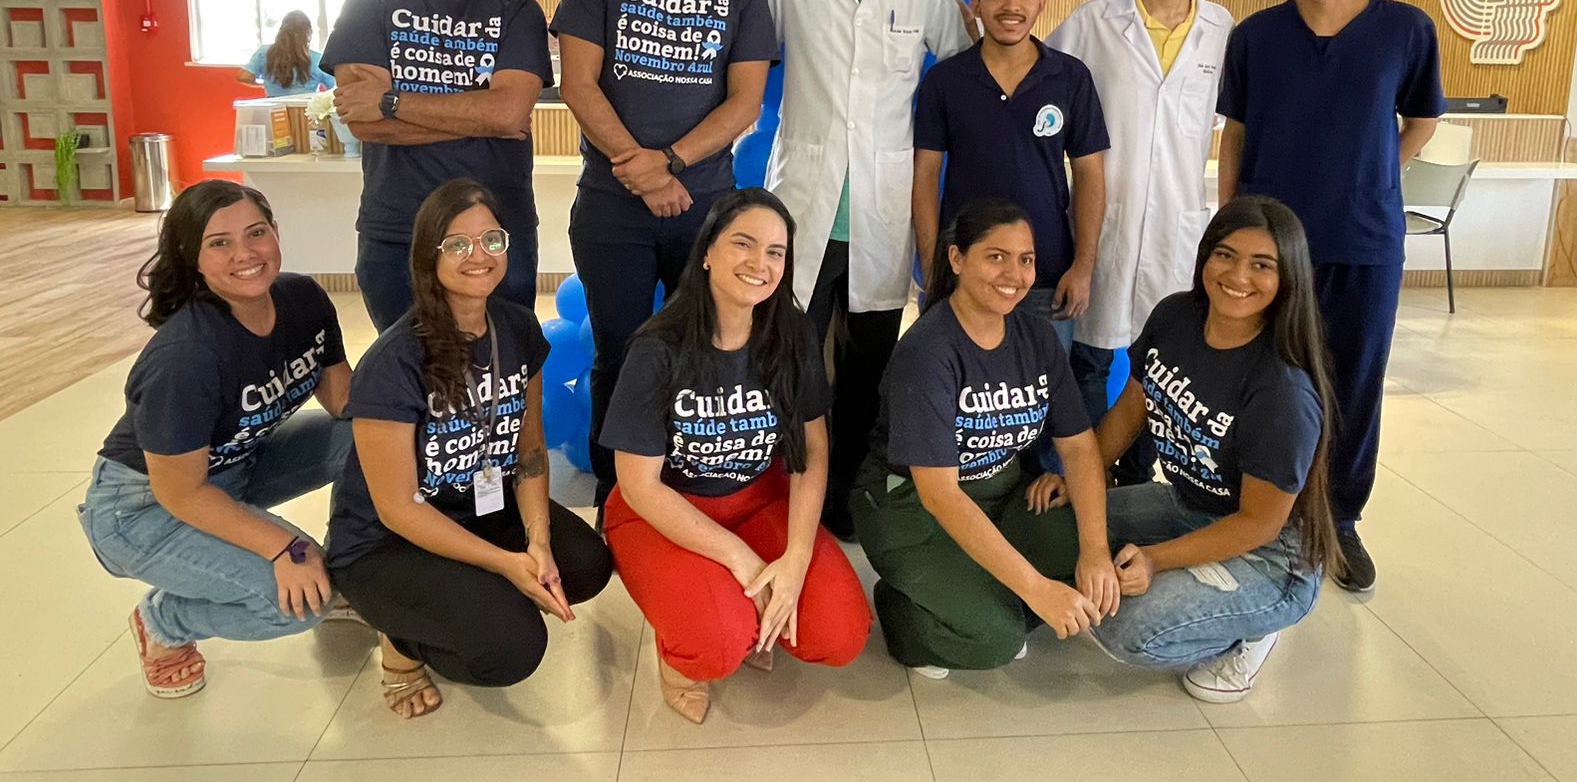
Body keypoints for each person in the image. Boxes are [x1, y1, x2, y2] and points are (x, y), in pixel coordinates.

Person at [1218, 0, 1442, 592]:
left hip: (1363, 240)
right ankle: (1251, 510)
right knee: (1265, 380)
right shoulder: (1256, 36)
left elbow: (1422, 120)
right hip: (1271, 248)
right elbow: (1236, 134)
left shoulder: (1404, 29)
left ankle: (1338, 517)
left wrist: (1374, 174)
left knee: (1354, 381)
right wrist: (1229, 228)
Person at [1031, 196, 1341, 703]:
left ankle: (1252, 630)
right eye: (1225, 255)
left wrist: (1156, 560)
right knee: (1049, 526)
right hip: (1186, 503)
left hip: (1269, 555)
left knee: (1124, 627)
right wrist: (1080, 478)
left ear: (1288, 277)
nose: (1238, 275)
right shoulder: (1177, 315)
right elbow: (1132, 407)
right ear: (1205, 256)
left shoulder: (1281, 390)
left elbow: (1259, 523)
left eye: (1262, 265)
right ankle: (1201, 587)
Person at [326, 178, 613, 718]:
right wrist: (506, 564)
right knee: (512, 649)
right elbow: (398, 508)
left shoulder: (516, 328)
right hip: (387, 540)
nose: (478, 256)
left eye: (491, 240)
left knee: (585, 565)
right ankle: (400, 641)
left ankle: (466, 594)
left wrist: (538, 541)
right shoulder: (393, 361)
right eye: (457, 244)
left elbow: (530, 451)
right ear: (428, 256)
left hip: (481, 506)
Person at [554, 0, 777, 509]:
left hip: (705, 209)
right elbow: (578, 83)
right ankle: (615, 495)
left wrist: (672, 162)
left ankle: (690, 484)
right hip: (611, 206)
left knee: (706, 350)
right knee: (618, 350)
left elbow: (745, 101)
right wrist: (642, 171)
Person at [765, 0, 974, 538]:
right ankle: (785, 490)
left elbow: (964, 75)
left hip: (882, 211)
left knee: (866, 370)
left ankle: (845, 499)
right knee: (791, 359)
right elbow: (746, 63)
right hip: (804, 204)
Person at [601, 188, 871, 723]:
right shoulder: (658, 348)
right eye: (743, 244)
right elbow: (639, 485)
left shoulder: (792, 332)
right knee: (716, 644)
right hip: (664, 511)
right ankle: (680, 655)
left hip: (761, 500)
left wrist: (794, 559)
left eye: (775, 252)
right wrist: (743, 560)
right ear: (707, 252)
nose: (759, 263)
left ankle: (739, 609)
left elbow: (814, 448)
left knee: (839, 635)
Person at [78, 179, 353, 699]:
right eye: (220, 243)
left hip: (234, 467)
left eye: (256, 233)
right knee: (301, 606)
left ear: (276, 232)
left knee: (366, 441)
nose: (245, 254)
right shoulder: (186, 356)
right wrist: (286, 547)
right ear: (193, 257)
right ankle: (164, 622)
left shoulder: (304, 299)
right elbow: (181, 493)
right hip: (143, 509)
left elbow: (345, 404)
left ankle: (349, 568)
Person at [850, 199, 1118, 676]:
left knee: (1090, 545)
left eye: (1025, 259)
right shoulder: (929, 352)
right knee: (996, 641)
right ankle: (902, 607)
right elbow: (941, 496)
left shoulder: (1035, 337)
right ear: (957, 259)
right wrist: (1037, 589)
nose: (1014, 274)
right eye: (996, 256)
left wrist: (1095, 552)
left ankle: (974, 590)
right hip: (912, 508)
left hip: (1000, 493)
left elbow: (1078, 446)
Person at [1046, 0, 1234, 477]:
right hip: (1104, 219)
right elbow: (1036, 76)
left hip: (1178, 226)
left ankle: (1135, 478)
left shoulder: (1223, 31)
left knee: (1160, 362)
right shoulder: (1095, 21)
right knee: (1090, 359)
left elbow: (1237, 124)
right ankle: (1079, 478)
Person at [323, 0, 552, 332]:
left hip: (498, 231)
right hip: (398, 231)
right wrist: (484, 118)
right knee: (407, 363)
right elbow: (364, 123)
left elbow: (507, 113)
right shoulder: (370, 3)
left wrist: (390, 101)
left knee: (504, 360)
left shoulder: (516, 8)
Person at [914, 0, 1109, 401]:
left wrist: (1083, 267)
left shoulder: (1070, 78)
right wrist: (933, 265)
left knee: (1044, 402)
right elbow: (924, 177)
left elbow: (1090, 175)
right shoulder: (946, 81)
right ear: (977, 4)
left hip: (1046, 275)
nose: (1011, 5)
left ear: (1042, 1)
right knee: (963, 398)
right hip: (964, 273)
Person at [236, 10, 335, 96]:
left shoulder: (264, 53)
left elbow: (243, 76)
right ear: (309, 32)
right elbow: (334, 87)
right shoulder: (317, 58)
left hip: (275, 109)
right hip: (306, 109)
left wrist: (263, 84)